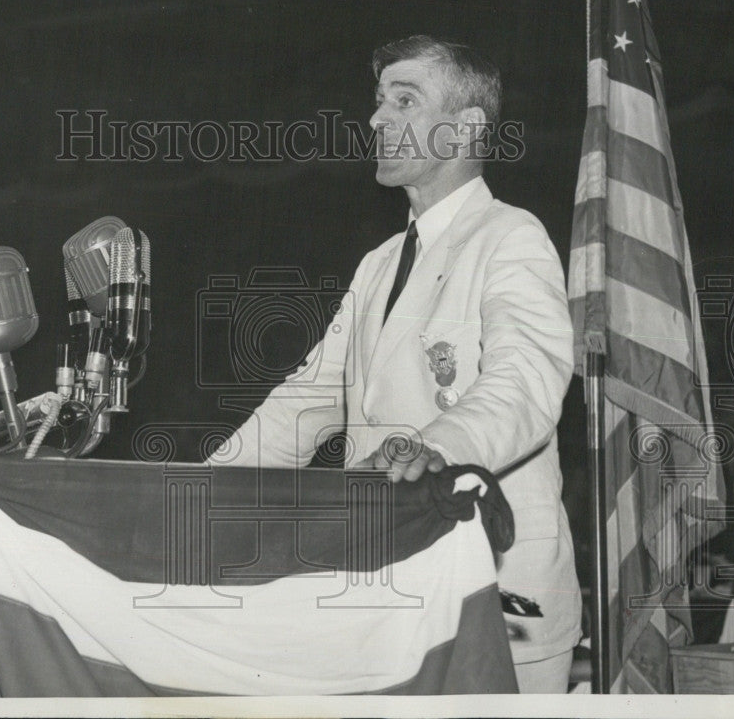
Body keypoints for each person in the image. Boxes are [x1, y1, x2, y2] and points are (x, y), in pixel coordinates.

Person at [206, 35, 581, 693]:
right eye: (380, 102)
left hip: (496, 597)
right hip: (386, 591)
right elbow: (306, 403)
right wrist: (201, 490)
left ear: (467, 127)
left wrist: (431, 448)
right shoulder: (379, 263)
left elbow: (525, 385)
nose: (378, 119)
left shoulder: (511, 238)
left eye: (405, 100)